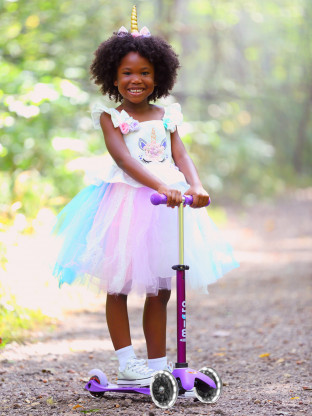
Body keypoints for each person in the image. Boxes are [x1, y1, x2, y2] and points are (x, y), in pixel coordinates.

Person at [52, 6, 239, 387]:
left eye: (144, 73)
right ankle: (126, 361)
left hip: (168, 207)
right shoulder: (111, 117)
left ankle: (157, 365)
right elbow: (123, 159)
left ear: (158, 76)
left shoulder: (167, 115)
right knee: (118, 284)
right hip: (128, 205)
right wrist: (160, 186)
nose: (135, 80)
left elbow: (181, 154)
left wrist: (196, 185)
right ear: (112, 76)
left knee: (163, 287)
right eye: (127, 73)